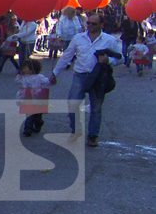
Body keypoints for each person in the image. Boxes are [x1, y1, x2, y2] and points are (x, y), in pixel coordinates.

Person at [50, 12, 122, 147]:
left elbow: (121, 58)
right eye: (88, 23)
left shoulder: (109, 40)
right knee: (72, 103)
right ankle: (75, 130)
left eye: (94, 23)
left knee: (96, 108)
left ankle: (93, 136)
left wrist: (109, 60)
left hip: (99, 77)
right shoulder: (78, 38)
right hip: (81, 75)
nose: (89, 25)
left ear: (101, 25)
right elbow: (67, 56)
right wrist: (55, 73)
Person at [17, 58, 49, 136]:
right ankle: (28, 129)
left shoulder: (39, 77)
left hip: (37, 98)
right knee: (29, 114)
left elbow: (47, 82)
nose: (23, 69)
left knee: (37, 115)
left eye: (25, 68)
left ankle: (39, 124)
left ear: (31, 69)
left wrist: (52, 80)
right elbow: (17, 81)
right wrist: (20, 74)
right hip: (27, 97)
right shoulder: (24, 78)